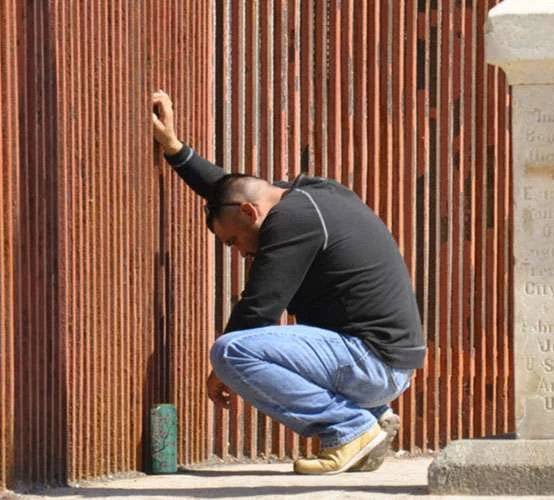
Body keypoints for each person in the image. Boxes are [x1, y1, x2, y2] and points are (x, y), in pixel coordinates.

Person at [150, 90, 425, 475]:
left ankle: (350, 427)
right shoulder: (310, 196)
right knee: (239, 347)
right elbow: (232, 189)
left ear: (251, 213)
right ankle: (372, 418)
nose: (240, 252)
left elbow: (260, 305)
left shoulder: (292, 221)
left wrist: (222, 370)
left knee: (232, 351)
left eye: (233, 241)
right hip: (389, 362)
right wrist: (177, 151)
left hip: (371, 361)